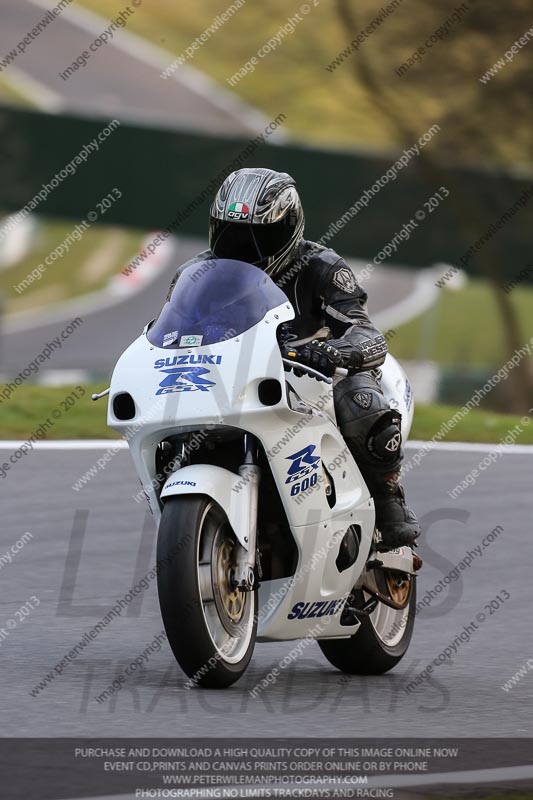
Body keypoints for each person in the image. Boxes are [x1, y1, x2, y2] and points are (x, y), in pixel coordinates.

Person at [166, 167, 420, 549]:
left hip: (312, 377)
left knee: (359, 398)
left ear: (288, 230)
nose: (245, 249)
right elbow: (166, 331)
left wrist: (334, 350)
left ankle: (387, 499)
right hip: (231, 377)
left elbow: (363, 329)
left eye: (260, 236)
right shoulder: (195, 274)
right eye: (233, 236)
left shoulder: (322, 267)